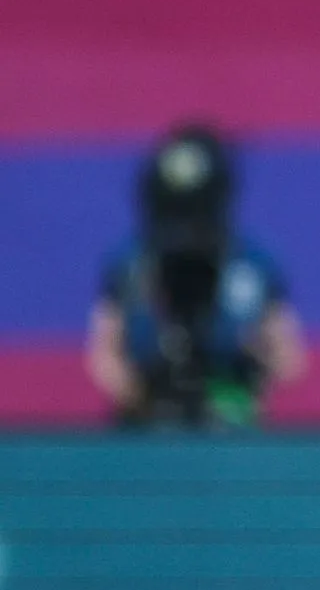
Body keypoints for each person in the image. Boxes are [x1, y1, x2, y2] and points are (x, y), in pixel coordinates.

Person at [88, 123, 305, 430]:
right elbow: (103, 353)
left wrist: (248, 370)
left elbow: (289, 359)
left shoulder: (253, 265)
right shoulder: (129, 264)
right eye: (176, 211)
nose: (186, 230)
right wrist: (142, 392)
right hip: (145, 428)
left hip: (230, 427)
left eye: (196, 212)